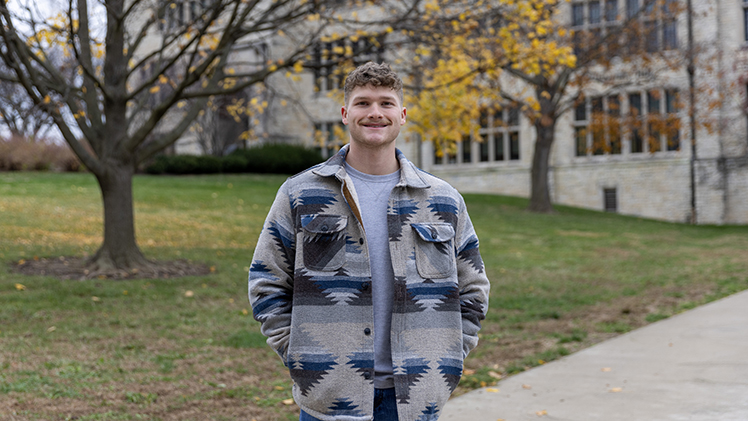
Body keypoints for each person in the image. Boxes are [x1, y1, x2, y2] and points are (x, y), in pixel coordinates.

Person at [248, 62, 490, 421]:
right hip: (328, 400)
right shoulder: (300, 194)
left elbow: (474, 291)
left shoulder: (443, 200)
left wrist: (447, 356)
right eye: (363, 103)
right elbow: (265, 281)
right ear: (345, 114)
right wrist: (302, 357)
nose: (374, 113)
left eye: (386, 103)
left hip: (415, 399)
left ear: (403, 115)